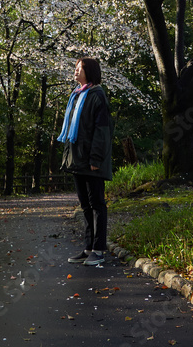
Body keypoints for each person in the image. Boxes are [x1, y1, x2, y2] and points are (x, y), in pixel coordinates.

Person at [58, 57, 113, 266]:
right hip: (78, 160)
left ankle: (99, 250)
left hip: (91, 161)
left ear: (89, 71)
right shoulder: (77, 95)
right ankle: (89, 247)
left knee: (97, 203)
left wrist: (96, 158)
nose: (75, 71)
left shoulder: (97, 96)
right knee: (85, 205)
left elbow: (102, 130)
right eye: (75, 67)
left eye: (79, 68)